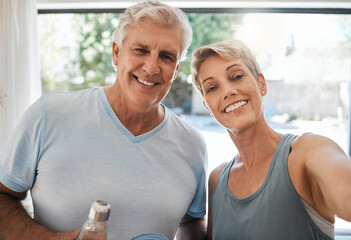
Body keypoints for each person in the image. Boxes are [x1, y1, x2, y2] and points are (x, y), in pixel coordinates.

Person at [0, 1, 207, 239]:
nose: (151, 68)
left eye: (167, 56)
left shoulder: (193, 145)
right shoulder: (48, 115)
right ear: (116, 53)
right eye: (140, 50)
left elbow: (192, 221)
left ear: (176, 67)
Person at [191, 39, 351, 240]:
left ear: (261, 84)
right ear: (208, 107)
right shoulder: (216, 180)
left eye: (237, 76)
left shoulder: (305, 152)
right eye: (212, 88)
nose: (228, 91)